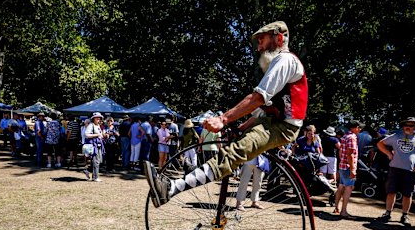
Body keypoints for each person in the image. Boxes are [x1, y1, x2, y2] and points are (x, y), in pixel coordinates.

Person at [143, 20, 307, 208]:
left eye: (261, 41)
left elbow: (258, 98)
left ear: (278, 38)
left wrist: (223, 119)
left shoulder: (285, 60)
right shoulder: (279, 64)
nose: (258, 47)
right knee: (235, 145)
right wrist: (240, 127)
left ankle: (170, 189)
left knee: (234, 152)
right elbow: (262, 110)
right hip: (274, 121)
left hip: (285, 127)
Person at [376, 117, 415, 226]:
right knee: (391, 192)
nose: (408, 127)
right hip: (394, 168)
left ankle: (404, 215)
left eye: (411, 125)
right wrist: (389, 154)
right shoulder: (396, 136)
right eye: (406, 125)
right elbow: (380, 144)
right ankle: (387, 213)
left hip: (410, 171)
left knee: (407, 194)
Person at [333, 120, 364, 219]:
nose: (360, 129)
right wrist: (353, 169)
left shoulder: (345, 137)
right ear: (354, 128)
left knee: (341, 187)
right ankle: (344, 211)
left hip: (342, 166)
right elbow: (350, 154)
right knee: (348, 188)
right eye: (359, 127)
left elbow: (341, 152)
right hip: (348, 167)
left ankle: (336, 208)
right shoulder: (352, 138)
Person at [83, 112, 105, 182]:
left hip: (98, 145)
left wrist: (102, 135)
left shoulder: (97, 125)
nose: (99, 119)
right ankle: (95, 177)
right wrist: (97, 135)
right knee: (96, 161)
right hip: (93, 146)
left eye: (99, 118)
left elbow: (99, 134)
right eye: (97, 118)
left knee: (98, 160)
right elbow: (86, 134)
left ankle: (87, 170)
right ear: (93, 119)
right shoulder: (91, 125)